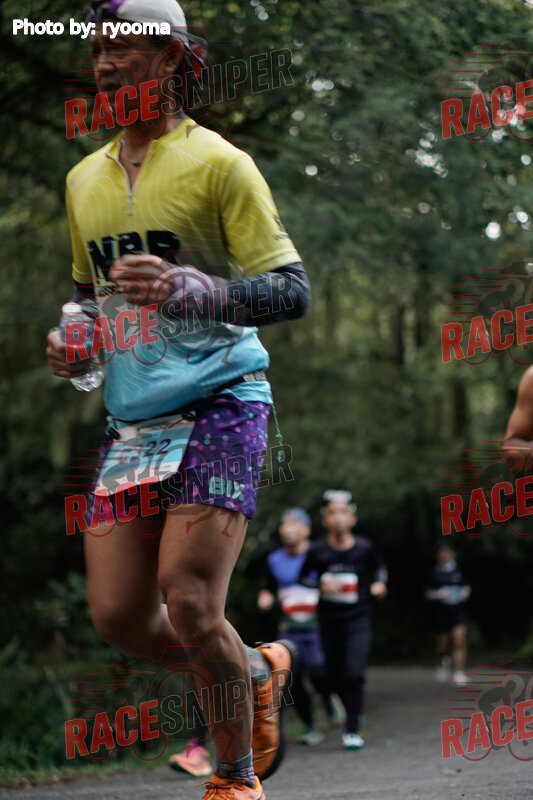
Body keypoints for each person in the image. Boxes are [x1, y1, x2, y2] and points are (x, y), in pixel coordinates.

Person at [45, 2, 311, 797]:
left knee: (190, 600)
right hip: (136, 424)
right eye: (98, 47)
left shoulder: (220, 164)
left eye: (124, 44)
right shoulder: (82, 180)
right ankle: (254, 670)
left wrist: (205, 291)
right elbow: (87, 298)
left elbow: (292, 291)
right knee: (121, 618)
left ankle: (233, 779)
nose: (105, 60)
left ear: (171, 58)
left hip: (225, 401)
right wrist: (76, 341)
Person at [298, 490, 388, 750]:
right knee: (333, 674)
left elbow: (380, 568)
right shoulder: (317, 549)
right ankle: (345, 708)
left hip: (358, 617)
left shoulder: (364, 547)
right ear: (325, 520)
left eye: (343, 513)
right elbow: (303, 577)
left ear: (352, 519)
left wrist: (380, 584)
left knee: (354, 673)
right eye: (333, 513)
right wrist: (320, 585)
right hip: (328, 619)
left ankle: (352, 729)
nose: (338, 518)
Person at [258, 508, 344, 745]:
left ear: (306, 530)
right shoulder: (274, 560)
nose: (288, 529)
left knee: (318, 673)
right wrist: (265, 596)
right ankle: (310, 726)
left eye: (294, 524)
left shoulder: (320, 554)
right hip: (289, 626)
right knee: (291, 677)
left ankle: (328, 698)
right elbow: (268, 587)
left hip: (317, 624)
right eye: (284, 524)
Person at [425, 545, 471, 686]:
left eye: (447, 553)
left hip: (457, 612)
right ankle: (443, 661)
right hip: (441, 613)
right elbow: (428, 593)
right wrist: (440, 594)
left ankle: (459, 672)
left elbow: (467, 587)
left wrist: (464, 594)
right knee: (442, 644)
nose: (444, 556)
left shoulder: (459, 571)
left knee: (459, 640)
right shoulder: (434, 573)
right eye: (441, 553)